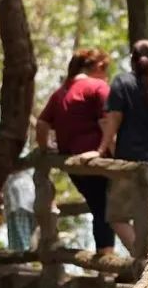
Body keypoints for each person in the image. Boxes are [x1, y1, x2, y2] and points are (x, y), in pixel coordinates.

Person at [99, 40, 148, 253]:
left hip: (130, 162)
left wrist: (102, 148)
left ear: (131, 60)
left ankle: (142, 258)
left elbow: (114, 119)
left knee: (116, 217)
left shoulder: (122, 83)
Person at [36, 49, 113, 252]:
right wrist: (113, 152)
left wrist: (47, 148)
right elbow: (107, 123)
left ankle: (106, 260)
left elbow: (41, 125)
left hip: (73, 165)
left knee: (100, 208)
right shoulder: (98, 87)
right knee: (106, 209)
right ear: (98, 67)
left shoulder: (60, 93)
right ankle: (112, 260)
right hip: (98, 161)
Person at [1, 164, 36, 252]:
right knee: (27, 234)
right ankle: (24, 258)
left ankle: (22, 259)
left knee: (19, 236)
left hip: (17, 198)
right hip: (26, 196)